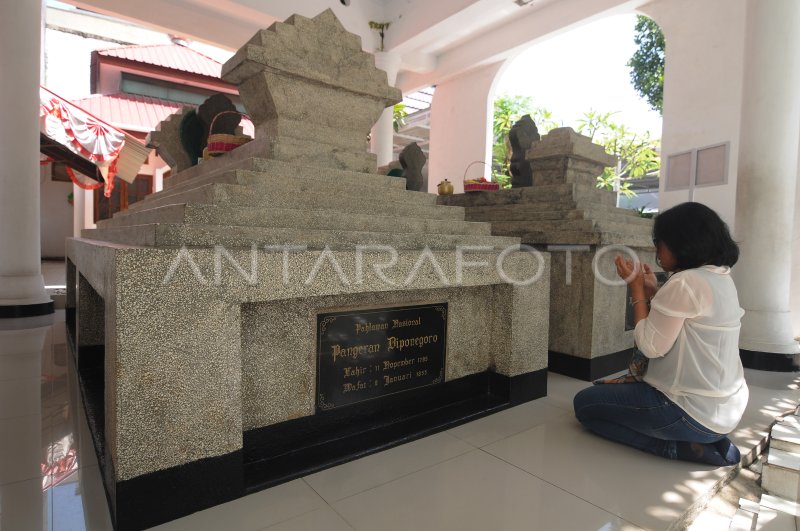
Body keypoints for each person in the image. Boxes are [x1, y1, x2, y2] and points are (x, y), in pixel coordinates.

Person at [573, 202, 748, 466]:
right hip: (724, 410)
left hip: (687, 410)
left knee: (584, 406)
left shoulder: (685, 282)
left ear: (680, 242)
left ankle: (677, 448)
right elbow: (684, 322)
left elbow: (650, 346)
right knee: (606, 395)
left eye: (659, 242)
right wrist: (655, 291)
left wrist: (636, 290)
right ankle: (707, 439)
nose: (657, 250)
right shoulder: (720, 277)